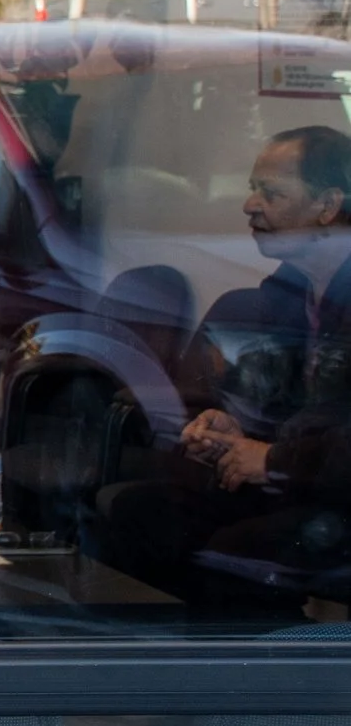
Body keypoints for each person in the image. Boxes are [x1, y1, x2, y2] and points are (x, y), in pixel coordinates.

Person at [104, 125, 351, 601]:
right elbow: (288, 414)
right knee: (139, 512)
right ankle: (158, 666)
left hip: (335, 502)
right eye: (252, 189)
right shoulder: (285, 295)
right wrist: (229, 430)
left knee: (234, 553)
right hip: (301, 487)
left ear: (328, 204)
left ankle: (271, 668)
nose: (249, 205)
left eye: (271, 193)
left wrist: (275, 460)